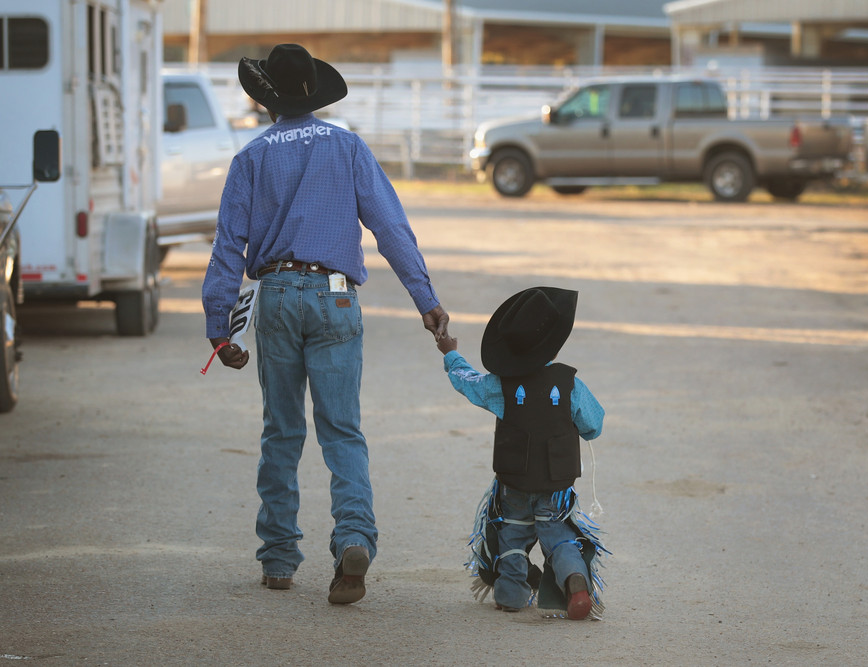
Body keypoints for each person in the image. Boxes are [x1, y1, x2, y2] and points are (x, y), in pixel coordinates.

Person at [202, 44, 449, 605]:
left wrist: (221, 327)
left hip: (278, 296)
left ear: (267, 101)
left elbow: (227, 249)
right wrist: (425, 299)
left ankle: (279, 559)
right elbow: (390, 227)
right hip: (337, 297)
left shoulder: (250, 159)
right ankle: (355, 538)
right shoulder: (347, 146)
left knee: (281, 431)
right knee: (343, 430)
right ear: (314, 94)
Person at [435, 287, 608, 620]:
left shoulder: (501, 385)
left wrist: (451, 354)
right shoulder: (570, 383)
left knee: (511, 533)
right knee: (559, 537)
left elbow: (467, 381)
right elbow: (593, 425)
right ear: (554, 341)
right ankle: (575, 581)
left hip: (514, 481)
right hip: (556, 483)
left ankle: (512, 595)